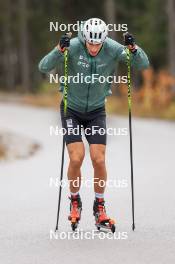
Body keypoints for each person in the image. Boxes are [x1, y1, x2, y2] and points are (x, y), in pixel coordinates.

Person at [39, 18, 149, 230]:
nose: (93, 48)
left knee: (98, 159)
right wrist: (58, 50)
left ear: (104, 40)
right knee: (76, 157)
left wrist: (134, 49)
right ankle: (74, 201)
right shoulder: (73, 47)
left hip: (97, 111)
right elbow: (44, 66)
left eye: (98, 44)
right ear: (84, 38)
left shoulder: (112, 48)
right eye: (90, 43)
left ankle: (99, 206)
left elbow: (142, 64)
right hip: (71, 108)